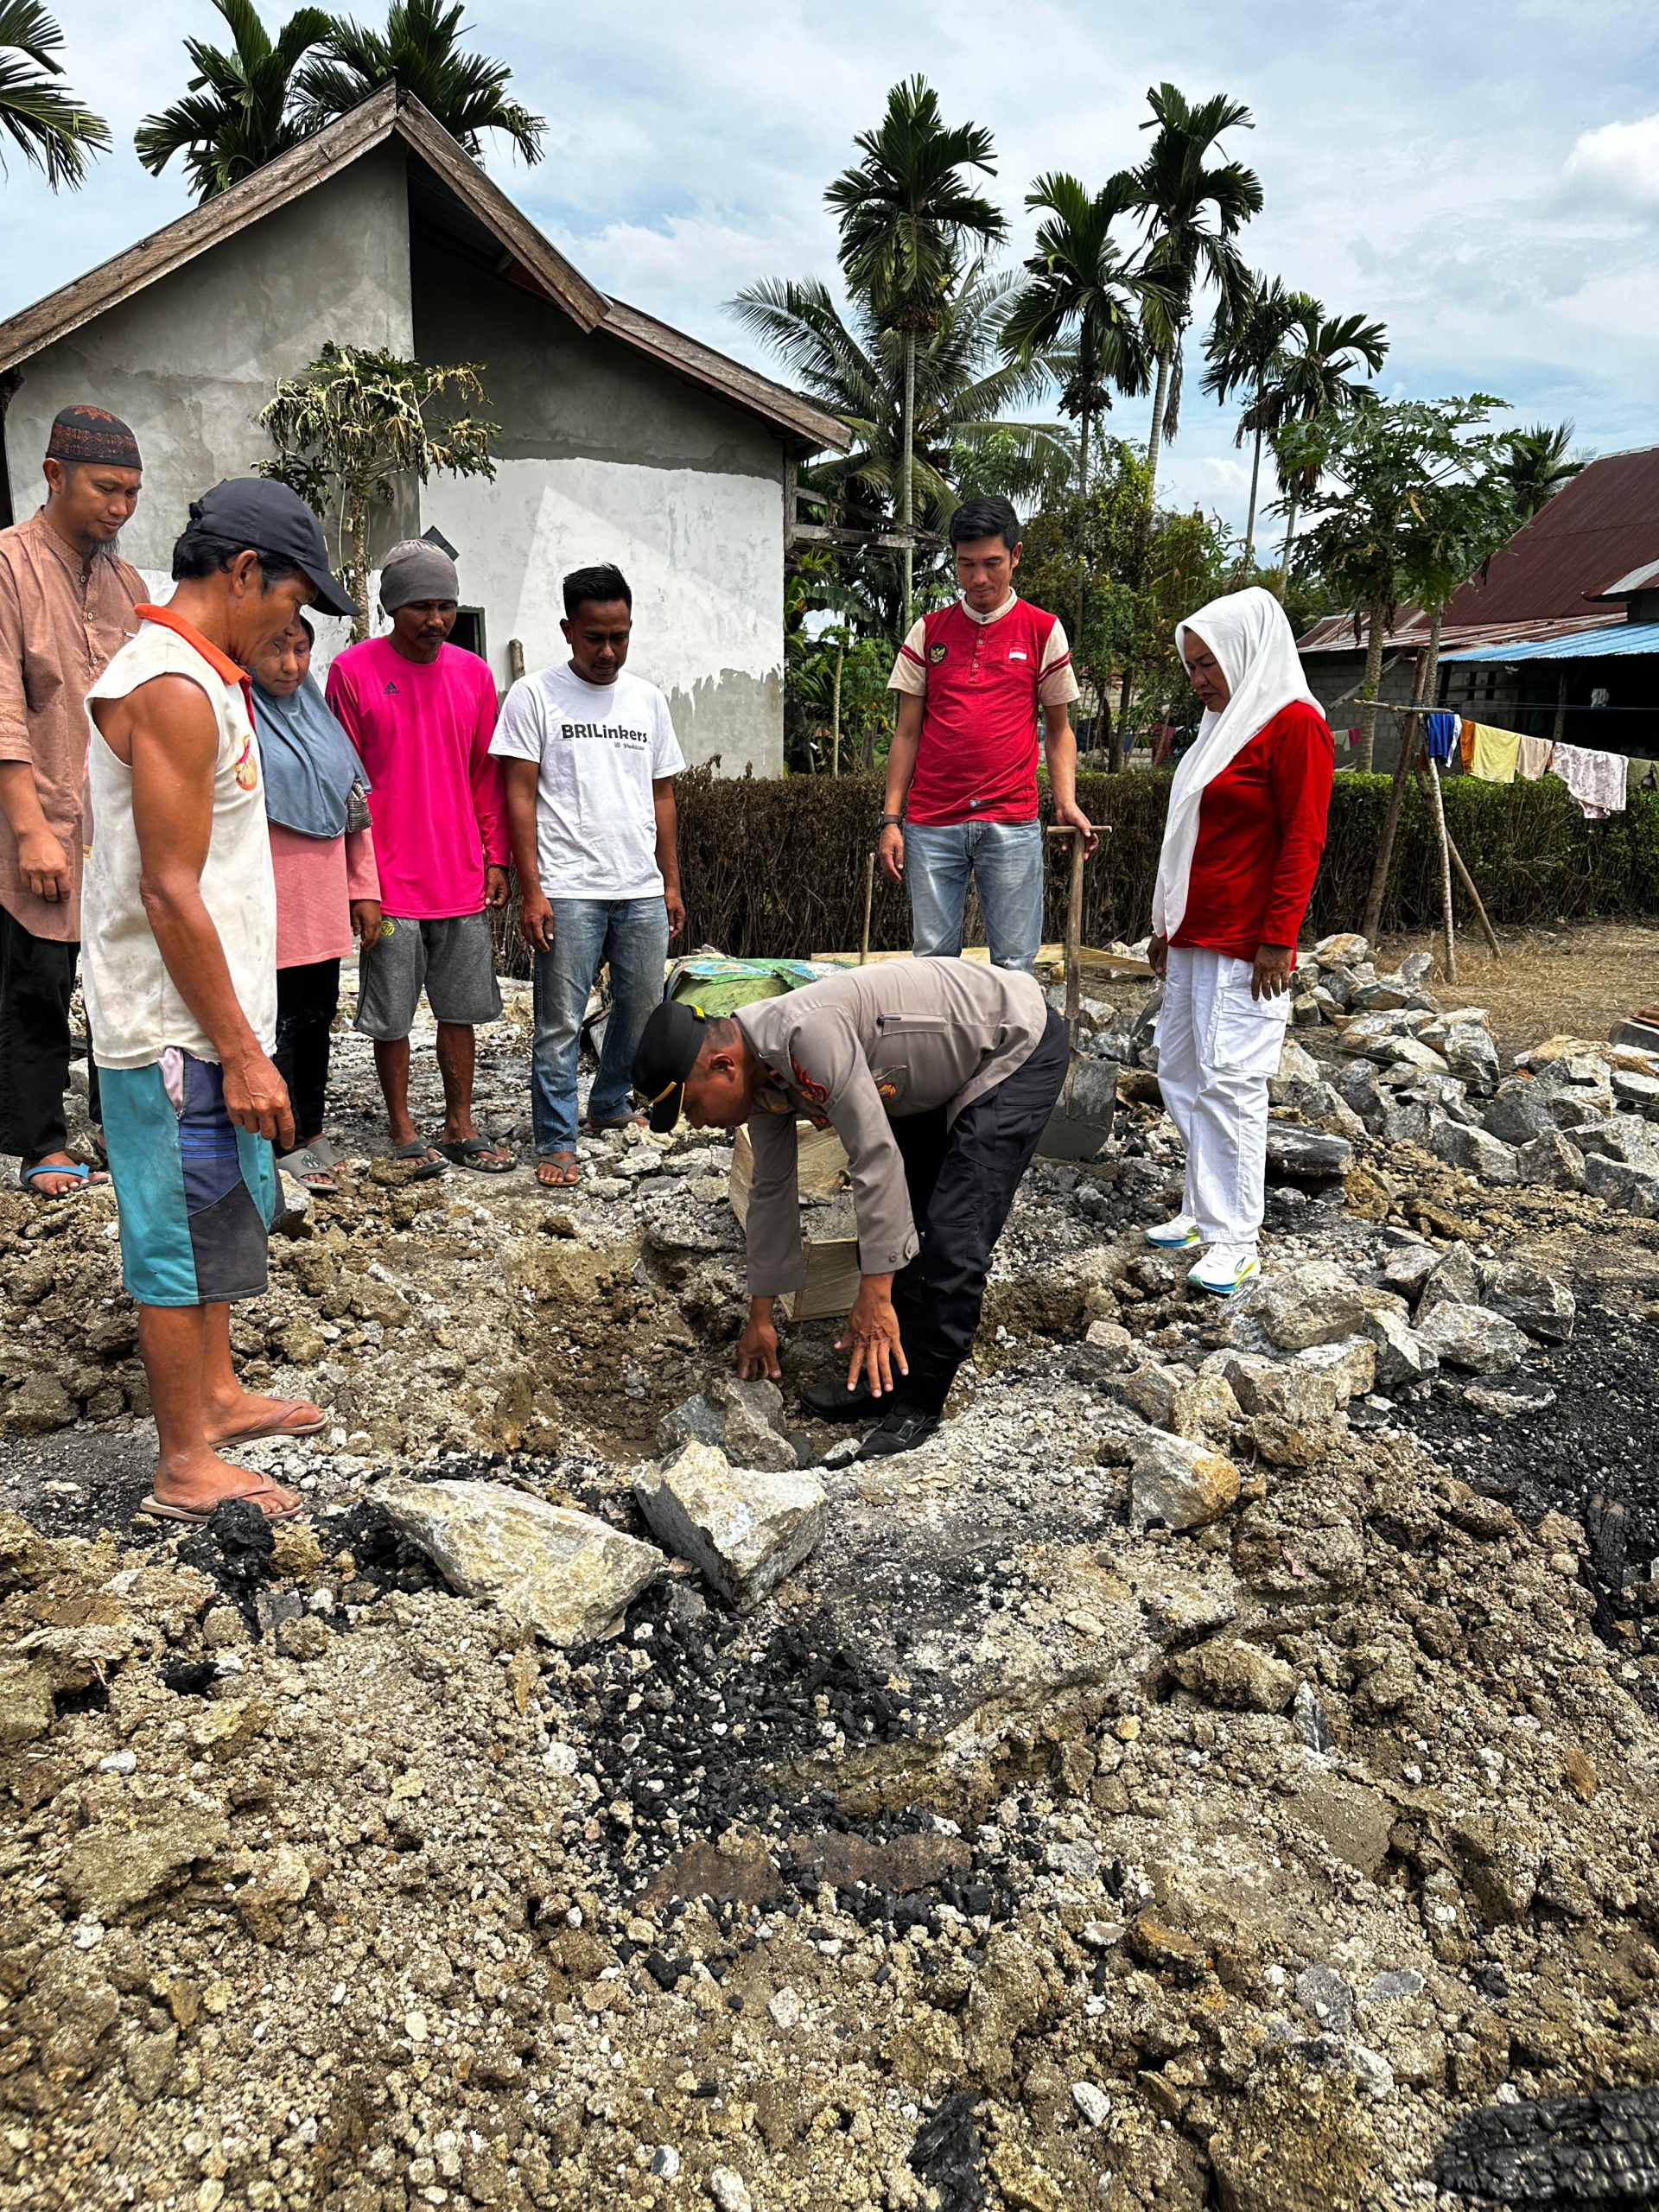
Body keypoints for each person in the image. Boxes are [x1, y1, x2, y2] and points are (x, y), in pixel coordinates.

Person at [83, 478, 359, 1523]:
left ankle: (215, 1394)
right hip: (170, 1025)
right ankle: (182, 1463)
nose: (294, 627)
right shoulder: (171, 688)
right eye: (291, 601)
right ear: (244, 572)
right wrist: (242, 1049)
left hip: (207, 1015)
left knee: (214, 1207)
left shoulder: (209, 675)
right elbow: (167, 888)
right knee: (174, 1228)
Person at [631, 961, 1069, 1459]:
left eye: (690, 1106)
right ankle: (886, 1380)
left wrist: (875, 1298)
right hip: (926, 1072)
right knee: (900, 1221)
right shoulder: (761, 1070)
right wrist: (761, 1316)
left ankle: (921, 1401)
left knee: (952, 1237)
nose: (695, 1123)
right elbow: (771, 1190)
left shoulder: (806, 1037)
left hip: (1011, 1043)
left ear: (723, 1067)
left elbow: (874, 1157)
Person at [1146, 586, 1334, 1296]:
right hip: (1194, 931)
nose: (1198, 679)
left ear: (1247, 653)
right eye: (1191, 666)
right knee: (1180, 1072)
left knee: (1232, 1082)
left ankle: (1236, 1237)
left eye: (1208, 664)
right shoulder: (1219, 729)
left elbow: (1304, 837)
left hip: (1246, 941)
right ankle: (1202, 1210)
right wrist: (1164, 926)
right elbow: (1183, 835)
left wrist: (1279, 937)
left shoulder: (1294, 724)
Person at [491, 563, 686, 1189]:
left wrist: (670, 882)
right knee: (559, 1021)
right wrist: (533, 889)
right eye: (595, 637)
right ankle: (556, 1139)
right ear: (567, 629)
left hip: (639, 886)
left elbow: (662, 796)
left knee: (642, 1004)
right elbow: (519, 795)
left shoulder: (647, 700)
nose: (608, 652)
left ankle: (608, 1101)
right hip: (568, 887)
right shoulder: (533, 696)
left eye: (619, 637)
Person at [325, 540, 512, 1177]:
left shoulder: (474, 675)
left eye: (446, 606)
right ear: (390, 607)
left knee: (461, 1011)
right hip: (390, 883)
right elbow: (346, 786)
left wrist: (495, 857)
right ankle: (402, 1128)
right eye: (421, 607)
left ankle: (460, 1124)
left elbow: (486, 775)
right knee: (392, 1016)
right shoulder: (352, 672)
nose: (436, 620)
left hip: (460, 877)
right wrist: (359, 883)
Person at [0, 405, 146, 1197]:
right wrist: (31, 831)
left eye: (131, 493)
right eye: (105, 489)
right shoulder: (8, 565)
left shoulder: (127, 585)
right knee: (38, 982)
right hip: (33, 817)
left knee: (121, 979)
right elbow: (3, 708)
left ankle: (120, 1125)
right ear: (55, 475)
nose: (120, 508)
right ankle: (40, 1142)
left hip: (114, 828)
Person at [881, 493, 1096, 974]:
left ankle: (1013, 1030)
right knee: (933, 963)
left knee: (1015, 965)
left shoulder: (1043, 630)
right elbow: (907, 734)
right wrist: (891, 819)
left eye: (992, 563)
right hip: (931, 824)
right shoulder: (928, 632)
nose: (979, 578)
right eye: (966, 564)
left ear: (1015, 556)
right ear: (955, 561)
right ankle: (941, 1030)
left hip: (1012, 821)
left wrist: (1065, 801)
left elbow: (1059, 731)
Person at [250, 613, 381, 1194]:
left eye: (302, 649)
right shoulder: (238, 716)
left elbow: (355, 812)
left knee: (317, 1019)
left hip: (323, 902)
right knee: (275, 1025)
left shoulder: (322, 722)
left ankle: (312, 1128)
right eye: (276, 648)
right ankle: (282, 1143)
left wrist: (364, 889)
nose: (291, 664)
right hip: (267, 907)